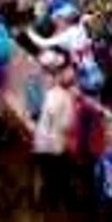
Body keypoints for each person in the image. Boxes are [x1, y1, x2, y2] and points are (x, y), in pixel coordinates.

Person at [32, 67, 76, 209]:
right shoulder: (67, 101)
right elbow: (66, 127)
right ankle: (56, 200)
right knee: (59, 174)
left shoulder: (51, 93)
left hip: (40, 141)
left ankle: (43, 199)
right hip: (54, 146)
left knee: (46, 172)